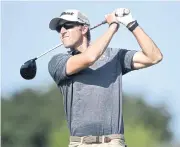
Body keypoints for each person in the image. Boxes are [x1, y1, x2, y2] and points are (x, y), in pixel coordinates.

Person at [48, 8, 163, 147]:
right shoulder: (58, 62)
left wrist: (131, 23)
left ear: (84, 29)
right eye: (59, 28)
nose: (62, 31)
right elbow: (89, 58)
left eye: (67, 26)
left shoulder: (114, 57)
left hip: (114, 143)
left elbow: (154, 57)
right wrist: (113, 27)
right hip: (80, 144)